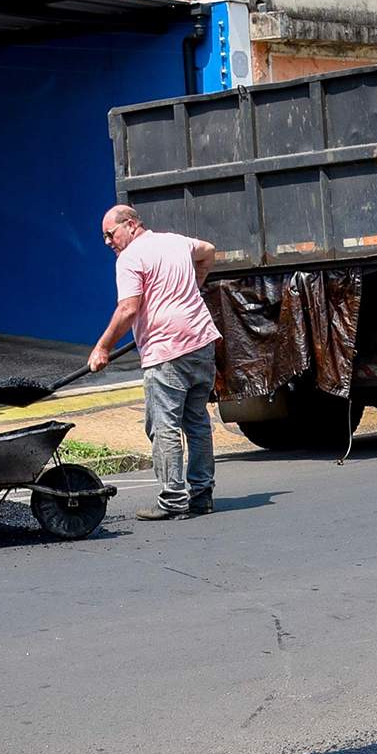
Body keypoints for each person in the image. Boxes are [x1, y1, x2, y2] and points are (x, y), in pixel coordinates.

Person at [90, 206, 222, 521]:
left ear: (132, 225)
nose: (108, 241)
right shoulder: (175, 242)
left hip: (167, 352)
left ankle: (173, 500)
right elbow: (209, 251)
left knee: (164, 426)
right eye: (104, 237)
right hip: (201, 341)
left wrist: (102, 347)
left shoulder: (130, 258)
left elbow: (128, 309)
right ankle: (202, 496)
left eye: (111, 233)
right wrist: (194, 287)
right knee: (197, 422)